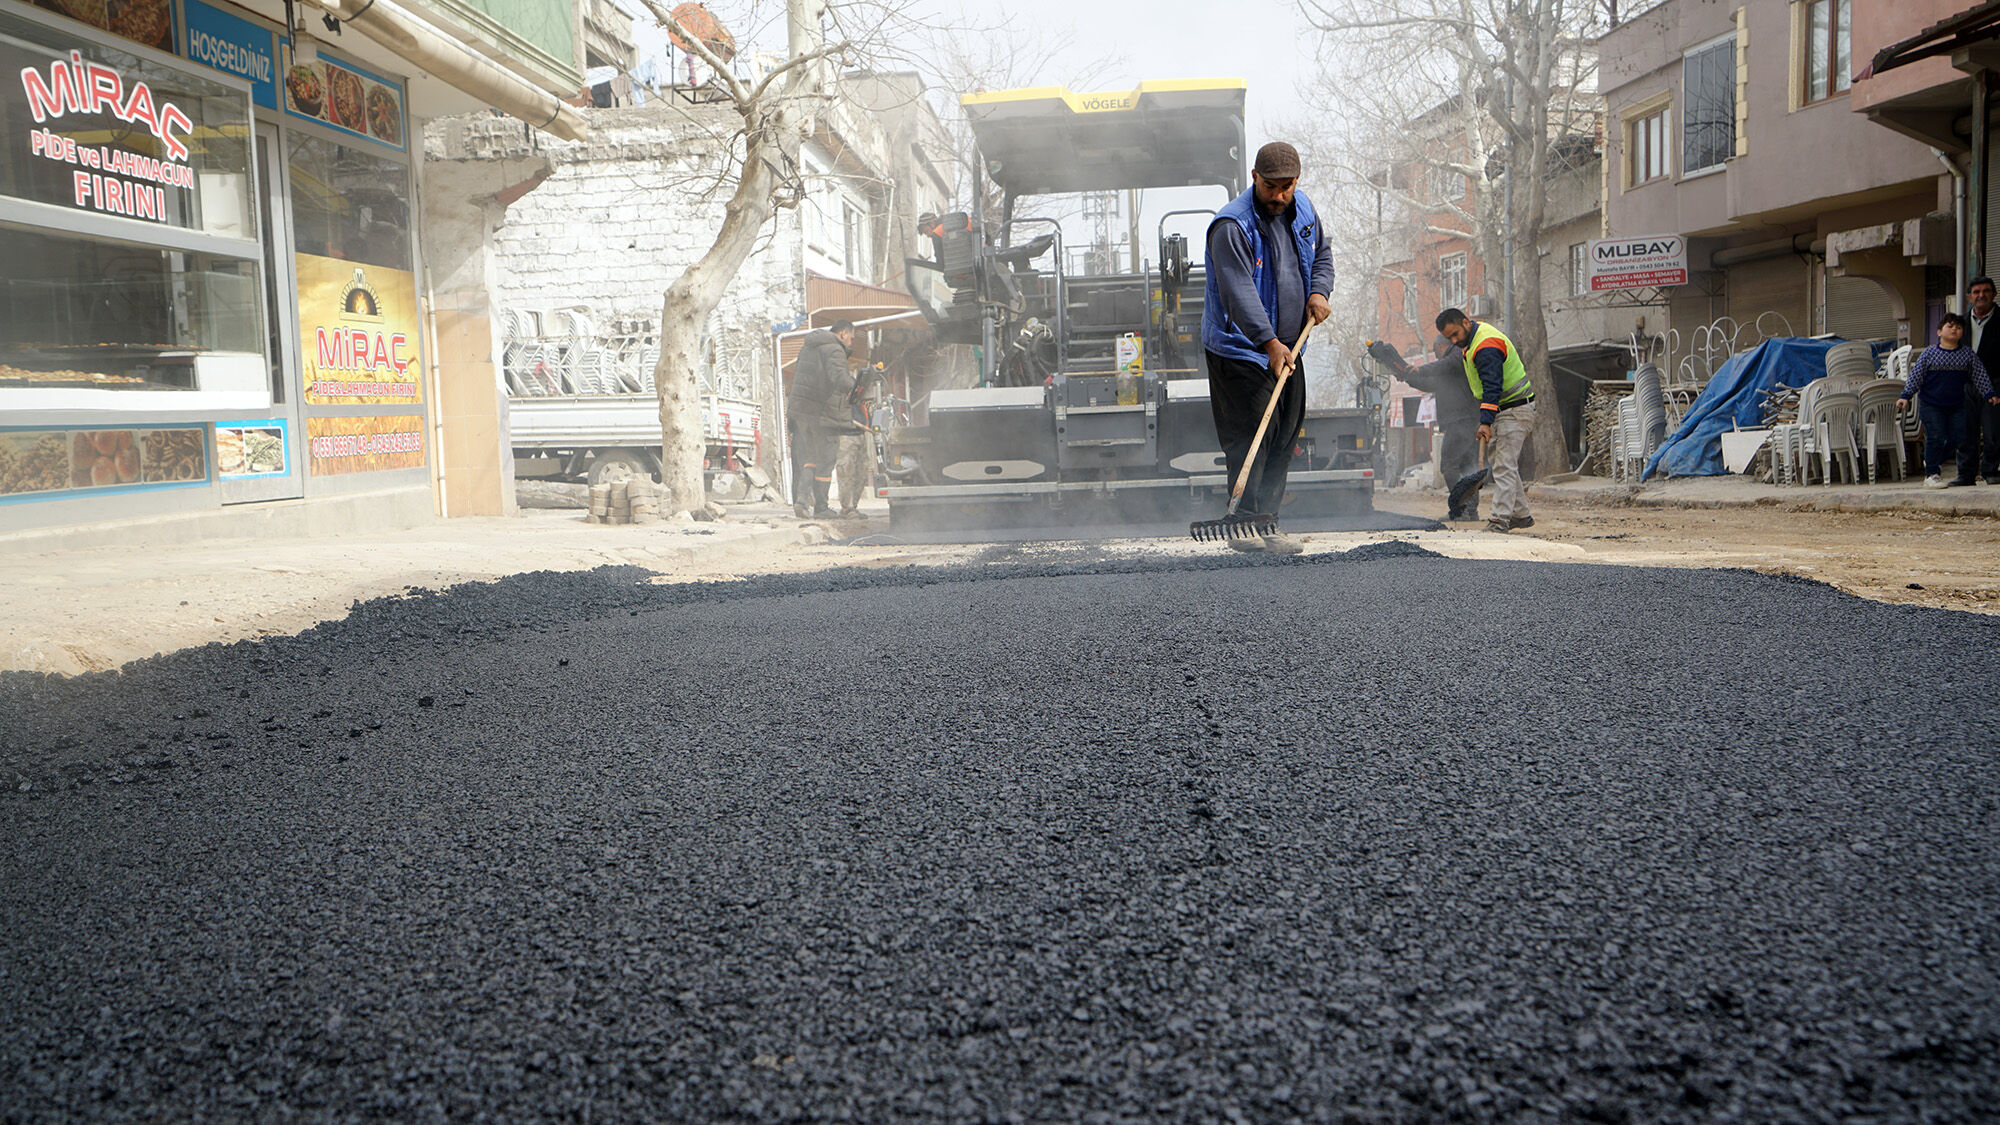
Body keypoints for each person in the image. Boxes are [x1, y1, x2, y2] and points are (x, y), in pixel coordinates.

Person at [1200, 141, 1335, 554]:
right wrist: (1268, 342)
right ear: (1255, 178)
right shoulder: (1232, 227)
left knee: (1283, 434)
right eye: (1272, 186)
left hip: (1291, 347)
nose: (1280, 196)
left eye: (1288, 186)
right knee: (1250, 435)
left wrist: (1319, 291)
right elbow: (1238, 293)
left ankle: (1268, 522)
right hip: (1240, 349)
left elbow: (1322, 256)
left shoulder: (1304, 211)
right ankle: (1242, 525)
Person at [1435, 307, 1537, 533]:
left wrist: (1485, 422)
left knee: (1503, 466)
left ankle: (1500, 519)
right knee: (1505, 464)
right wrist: (1487, 419)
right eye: (1448, 338)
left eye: (1455, 334)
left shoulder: (1485, 346)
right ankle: (1521, 515)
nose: (1453, 341)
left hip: (1515, 409)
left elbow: (1492, 387)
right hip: (1504, 409)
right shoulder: (1473, 340)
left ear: (1466, 322)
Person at [1366, 335, 1481, 520]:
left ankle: (1462, 510)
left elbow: (1433, 376)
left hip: (1460, 421)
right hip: (1469, 420)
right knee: (1468, 466)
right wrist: (1408, 376)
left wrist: (1416, 371)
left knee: (1449, 465)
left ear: (1441, 346)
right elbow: (1431, 384)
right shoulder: (1454, 365)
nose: (1436, 357)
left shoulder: (1454, 358)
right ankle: (1470, 511)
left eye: (1435, 352)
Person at [1898, 312, 1999, 489]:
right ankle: (1932, 473)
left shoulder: (1967, 355)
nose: (1954, 330)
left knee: (1960, 438)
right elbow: (1916, 376)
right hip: (1931, 404)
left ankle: (1933, 459)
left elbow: (1980, 375)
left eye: (1958, 327)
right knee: (1935, 437)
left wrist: (1989, 394)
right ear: (1939, 332)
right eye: (1950, 326)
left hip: (1956, 404)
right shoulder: (1929, 354)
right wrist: (1905, 396)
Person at [788, 319, 857, 518]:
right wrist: (856, 386)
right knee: (826, 460)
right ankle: (821, 507)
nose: (850, 343)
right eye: (851, 338)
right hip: (822, 413)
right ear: (843, 333)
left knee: (810, 458)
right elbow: (840, 380)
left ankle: (801, 501)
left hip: (802, 412)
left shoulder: (809, 347)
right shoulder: (834, 350)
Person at [834, 361, 887, 518]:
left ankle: (854, 506)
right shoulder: (837, 391)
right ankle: (847, 508)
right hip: (845, 435)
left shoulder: (856, 389)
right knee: (846, 471)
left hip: (860, 434)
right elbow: (840, 413)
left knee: (861, 471)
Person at [1963, 277, 2000, 485]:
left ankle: (1990, 470)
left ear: (1994, 294)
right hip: (1967, 385)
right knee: (1965, 431)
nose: (1981, 295)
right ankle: (1966, 474)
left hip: (1994, 383)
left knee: (1993, 430)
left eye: (1986, 291)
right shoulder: (1959, 323)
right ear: (1969, 296)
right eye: (1976, 292)